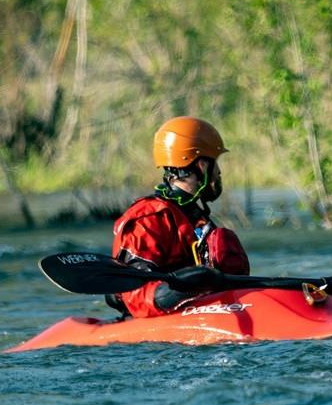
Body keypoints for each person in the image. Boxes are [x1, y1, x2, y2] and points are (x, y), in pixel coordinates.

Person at [106, 116, 250, 318]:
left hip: (202, 312)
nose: (219, 172)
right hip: (157, 334)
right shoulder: (148, 218)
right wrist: (183, 287)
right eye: (215, 163)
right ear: (201, 165)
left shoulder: (194, 215)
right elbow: (135, 292)